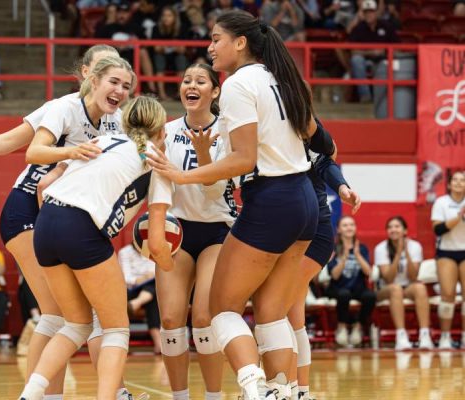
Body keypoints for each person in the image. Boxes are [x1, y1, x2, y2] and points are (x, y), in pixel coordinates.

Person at [0, 45, 131, 400]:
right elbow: (15, 144)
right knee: (63, 315)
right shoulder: (63, 107)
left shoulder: (117, 118)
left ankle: (101, 392)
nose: (118, 87)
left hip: (70, 216)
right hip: (28, 212)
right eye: (107, 72)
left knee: (82, 316)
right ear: (89, 75)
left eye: (124, 80)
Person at [146, 10, 332, 398]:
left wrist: (183, 175)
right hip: (306, 201)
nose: (210, 47)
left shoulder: (238, 84)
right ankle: (287, 390)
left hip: (273, 199)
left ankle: (253, 385)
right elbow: (324, 144)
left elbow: (244, 159)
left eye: (216, 39)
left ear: (241, 43)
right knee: (270, 311)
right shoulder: (284, 78)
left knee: (221, 310)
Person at [18, 93, 175, 400]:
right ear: (162, 131)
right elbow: (157, 243)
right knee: (116, 329)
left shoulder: (102, 141)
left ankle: (30, 395)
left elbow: (44, 185)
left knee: (75, 324)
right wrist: (170, 266)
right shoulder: (156, 162)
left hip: (46, 223)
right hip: (81, 229)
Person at [157, 63, 236, 400]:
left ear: (214, 91)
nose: (191, 85)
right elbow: (155, 181)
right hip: (176, 230)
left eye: (201, 81)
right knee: (172, 319)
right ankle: (180, 397)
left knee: (204, 317)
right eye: (186, 80)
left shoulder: (230, 132)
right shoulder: (166, 129)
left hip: (217, 230)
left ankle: (214, 396)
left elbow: (215, 192)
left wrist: (204, 156)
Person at [286, 127, 361, 399]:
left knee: (278, 308)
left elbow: (326, 161)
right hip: (281, 230)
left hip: (313, 228)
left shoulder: (309, 137)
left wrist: (342, 187)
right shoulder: (265, 133)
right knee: (290, 315)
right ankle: (298, 390)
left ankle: (288, 387)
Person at [374, 216, 434, 350]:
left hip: (407, 286)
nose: (393, 230)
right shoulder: (381, 248)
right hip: (386, 289)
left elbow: (413, 276)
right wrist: (397, 254)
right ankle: (401, 335)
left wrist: (405, 252)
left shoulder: (415, 246)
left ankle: (424, 335)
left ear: (405, 231)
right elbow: (388, 278)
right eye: (390, 227)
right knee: (395, 289)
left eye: (397, 226)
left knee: (420, 287)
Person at [326, 216, 376, 348]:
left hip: (357, 287)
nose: (349, 227)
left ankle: (357, 326)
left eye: (351, 225)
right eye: (345, 225)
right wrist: (344, 258)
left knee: (370, 296)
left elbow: (368, 273)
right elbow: (335, 276)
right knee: (344, 294)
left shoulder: (362, 248)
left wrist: (358, 255)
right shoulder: (334, 249)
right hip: (338, 288)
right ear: (339, 229)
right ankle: (341, 326)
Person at [431, 171, 465, 350]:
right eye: (456, 180)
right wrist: (459, 217)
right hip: (447, 252)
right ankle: (445, 336)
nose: (460, 183)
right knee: (448, 295)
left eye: (463, 180)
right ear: (450, 184)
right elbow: (438, 230)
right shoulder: (441, 202)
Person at [346, 0, 399, 103]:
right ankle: (366, 97)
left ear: (376, 13)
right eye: (366, 12)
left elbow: (397, 46)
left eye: (371, 12)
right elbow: (352, 50)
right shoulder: (359, 28)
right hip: (365, 61)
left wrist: (385, 52)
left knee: (390, 63)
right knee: (356, 60)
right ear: (363, 14)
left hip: (383, 60)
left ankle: (383, 100)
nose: (369, 15)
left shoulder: (386, 26)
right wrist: (371, 52)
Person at [118, 244, 161, 355]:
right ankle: (158, 342)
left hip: (150, 288)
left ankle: (135, 304)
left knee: (154, 289)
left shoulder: (153, 250)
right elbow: (125, 277)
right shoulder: (124, 252)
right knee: (153, 292)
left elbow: (156, 272)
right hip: (131, 290)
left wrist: (148, 277)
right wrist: (140, 279)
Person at [152, 6, 188, 100]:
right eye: (164, 15)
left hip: (176, 56)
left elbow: (183, 49)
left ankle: (181, 93)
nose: (166, 18)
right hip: (162, 56)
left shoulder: (181, 28)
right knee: (159, 58)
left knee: (181, 59)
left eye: (169, 15)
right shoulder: (156, 28)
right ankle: (162, 94)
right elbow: (156, 48)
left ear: (175, 17)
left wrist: (167, 47)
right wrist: (173, 46)